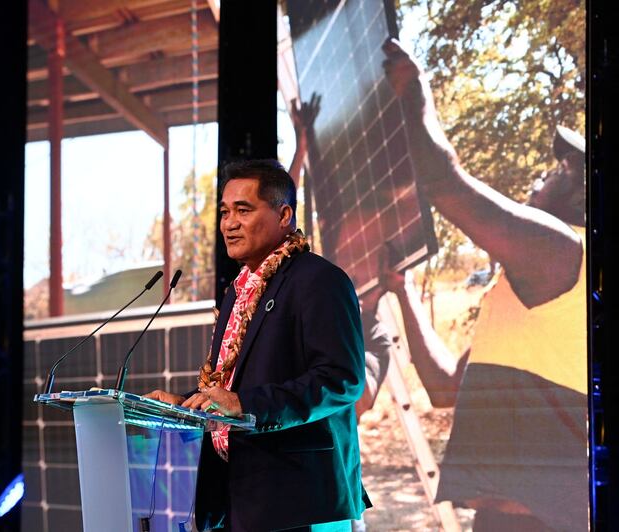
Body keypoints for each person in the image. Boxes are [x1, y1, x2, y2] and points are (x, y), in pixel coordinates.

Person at [380, 39, 588, 531]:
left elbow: (444, 183)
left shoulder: (566, 254)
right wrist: (403, 290)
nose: (542, 175)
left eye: (560, 168)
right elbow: (444, 387)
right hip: (500, 521)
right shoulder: (534, 289)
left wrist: (415, 90)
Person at [147, 159, 371, 531]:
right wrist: (187, 404)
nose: (229, 223)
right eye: (224, 212)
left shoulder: (319, 280)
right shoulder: (237, 291)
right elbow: (238, 381)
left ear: (284, 215)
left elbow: (341, 379)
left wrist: (244, 404)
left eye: (243, 210)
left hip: (302, 501)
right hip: (242, 497)